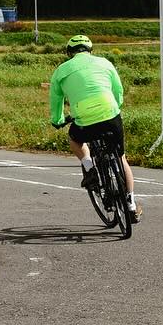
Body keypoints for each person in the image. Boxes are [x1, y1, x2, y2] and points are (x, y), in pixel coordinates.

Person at [49, 34, 140, 222]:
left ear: (69, 53)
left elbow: (56, 100)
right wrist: (116, 106)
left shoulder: (61, 70)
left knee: (75, 140)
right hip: (110, 114)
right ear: (90, 50)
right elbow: (118, 91)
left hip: (84, 120)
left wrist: (57, 120)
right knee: (121, 158)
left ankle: (89, 167)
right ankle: (130, 205)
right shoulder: (105, 63)